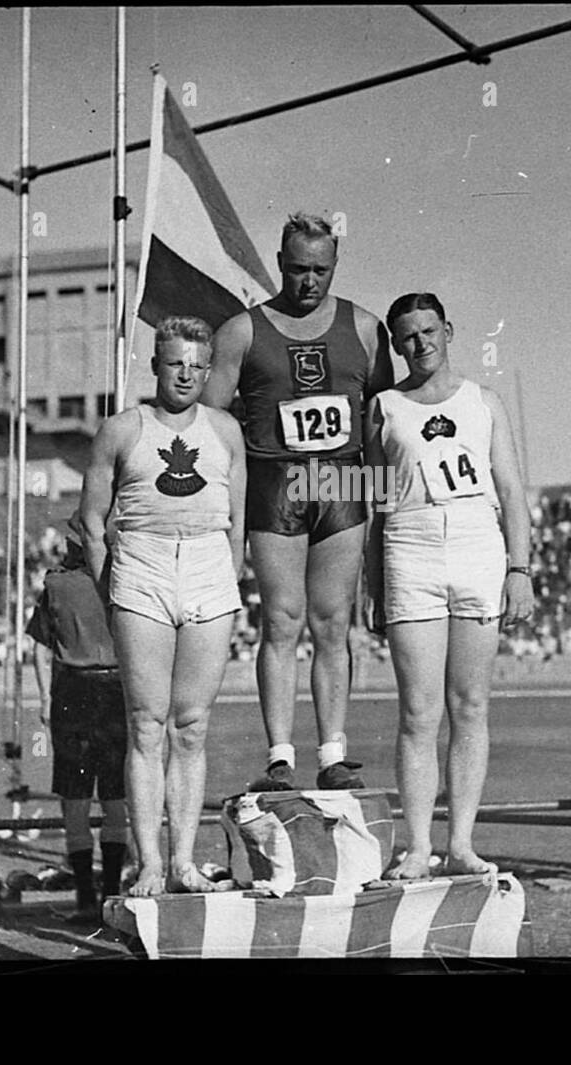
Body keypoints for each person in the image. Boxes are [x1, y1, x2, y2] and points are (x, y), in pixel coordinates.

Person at [204, 212, 393, 792]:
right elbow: (211, 424)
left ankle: (333, 753)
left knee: (334, 622)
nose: (309, 281)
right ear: (280, 262)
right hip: (275, 482)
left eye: (321, 270)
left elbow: (386, 421)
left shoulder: (364, 328)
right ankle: (280, 757)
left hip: (339, 482)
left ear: (335, 266)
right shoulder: (242, 331)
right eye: (297, 269)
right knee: (281, 622)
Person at [365, 293, 534, 879]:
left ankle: (461, 842)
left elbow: (512, 492)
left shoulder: (484, 402)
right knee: (418, 710)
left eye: (430, 331)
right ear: (397, 343)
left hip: (475, 543)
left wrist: (520, 569)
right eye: (408, 336)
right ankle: (416, 846)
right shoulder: (384, 406)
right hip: (409, 545)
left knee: (470, 705)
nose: (421, 343)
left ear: (449, 331)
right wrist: (373, 580)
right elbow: (375, 503)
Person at [79, 316, 245, 896]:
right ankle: (149, 864)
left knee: (192, 726)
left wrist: (226, 576)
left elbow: (238, 524)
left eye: (198, 366)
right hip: (143, 566)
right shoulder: (123, 429)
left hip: (207, 567)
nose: (187, 375)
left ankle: (183, 861)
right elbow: (92, 522)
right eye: (176, 363)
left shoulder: (225, 431)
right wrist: (111, 585)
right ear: (155, 364)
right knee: (147, 725)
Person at [27, 514, 135, 923]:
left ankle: (86, 898)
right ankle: (109, 896)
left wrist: (42, 696)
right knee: (114, 798)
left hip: (71, 692)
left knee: (74, 798)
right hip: (115, 691)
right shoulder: (124, 578)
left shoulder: (56, 584)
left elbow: (39, 646)